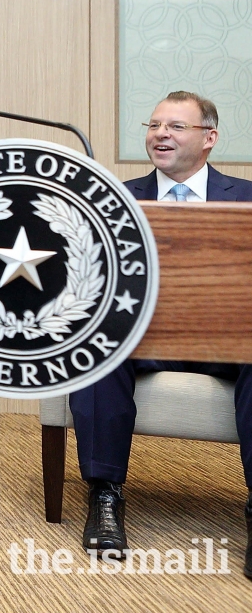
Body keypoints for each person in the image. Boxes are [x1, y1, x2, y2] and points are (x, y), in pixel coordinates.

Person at [70, 90, 252, 577]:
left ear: (209, 138)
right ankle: (105, 495)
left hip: (226, 340)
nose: (160, 135)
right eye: (154, 126)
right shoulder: (116, 199)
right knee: (96, 349)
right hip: (142, 337)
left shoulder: (247, 198)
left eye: (175, 126)